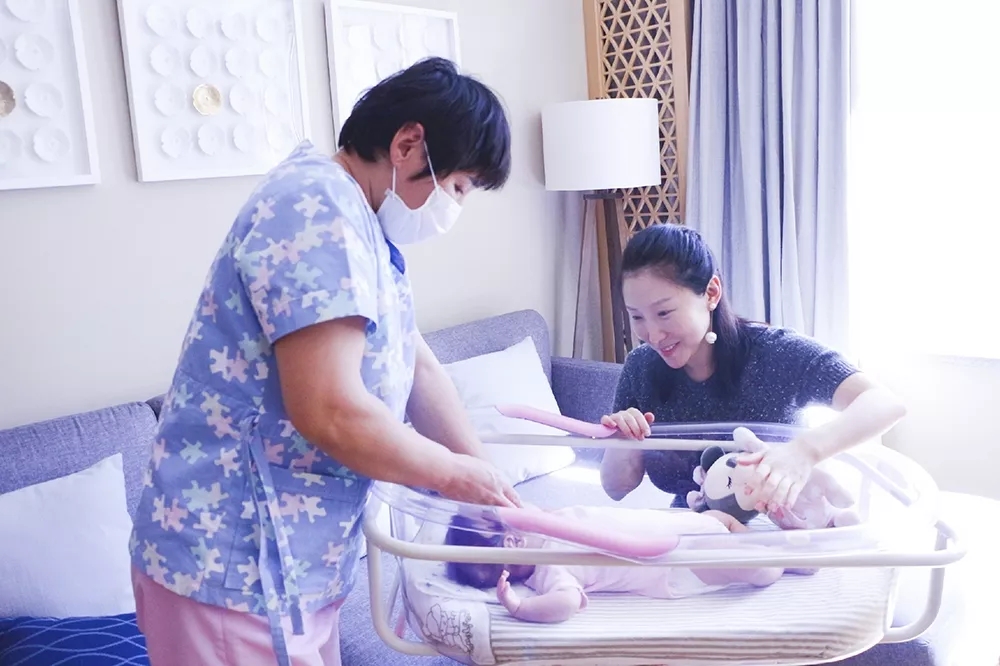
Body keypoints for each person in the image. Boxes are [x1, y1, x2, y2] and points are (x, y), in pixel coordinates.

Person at [129, 58, 521, 666]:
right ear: (407, 144)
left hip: (293, 567)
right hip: (233, 563)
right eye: (459, 188)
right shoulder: (316, 207)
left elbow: (419, 368)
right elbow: (329, 409)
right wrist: (452, 476)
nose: (455, 208)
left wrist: (491, 485)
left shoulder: (365, 230)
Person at [599, 223, 907, 514]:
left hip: (778, 528)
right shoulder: (641, 367)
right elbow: (616, 489)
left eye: (664, 313)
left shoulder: (775, 353)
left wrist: (804, 451)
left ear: (711, 293)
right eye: (637, 317)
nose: (652, 335)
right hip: (690, 534)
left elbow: (885, 403)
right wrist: (623, 440)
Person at [445, 507, 798, 624]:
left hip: (681, 526)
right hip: (673, 563)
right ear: (512, 543)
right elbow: (566, 603)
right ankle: (784, 561)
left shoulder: (549, 520)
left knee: (721, 521)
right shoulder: (550, 570)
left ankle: (780, 547)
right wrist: (519, 607)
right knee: (747, 562)